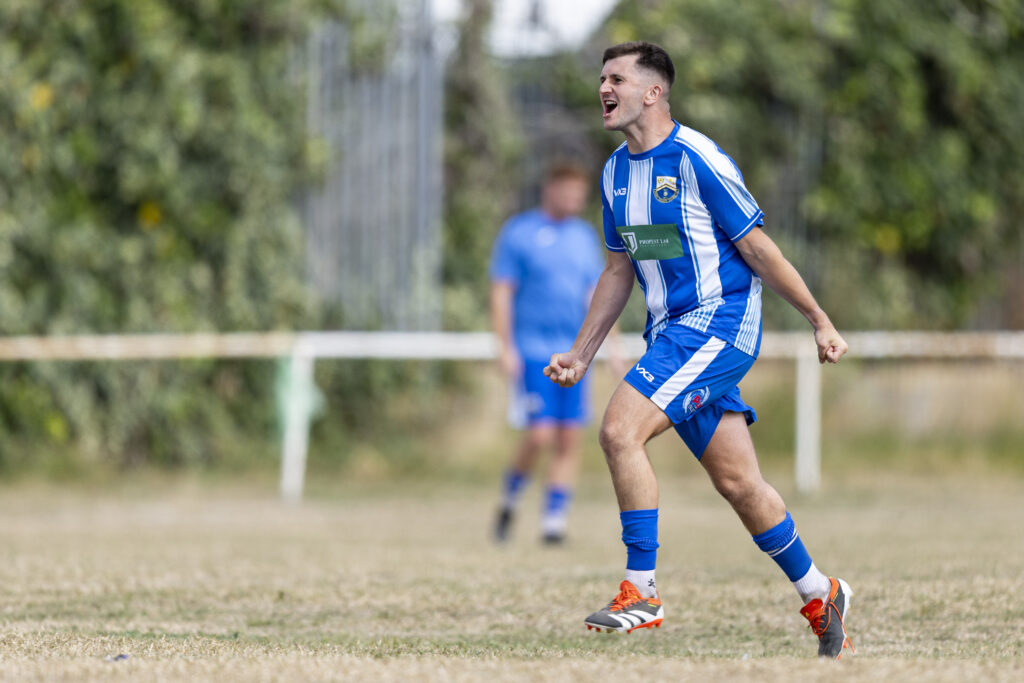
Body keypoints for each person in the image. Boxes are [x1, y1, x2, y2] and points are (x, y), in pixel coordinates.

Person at [544, 41, 854, 659]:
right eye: (601, 79)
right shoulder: (612, 173)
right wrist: (580, 353)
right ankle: (823, 592)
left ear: (654, 92)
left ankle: (642, 591)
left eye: (617, 78)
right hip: (672, 334)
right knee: (740, 484)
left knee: (618, 432)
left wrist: (819, 319)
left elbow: (759, 249)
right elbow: (617, 271)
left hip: (719, 325)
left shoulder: (698, 159)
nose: (603, 89)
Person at [489, 162, 611, 545]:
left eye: (580, 192)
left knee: (569, 437)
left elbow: (598, 295)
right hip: (533, 352)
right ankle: (510, 499)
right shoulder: (519, 232)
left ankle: (553, 522)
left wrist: (613, 346)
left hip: (575, 353)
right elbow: (502, 291)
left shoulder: (584, 236)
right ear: (551, 189)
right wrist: (505, 346)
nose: (575, 199)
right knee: (540, 434)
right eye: (568, 191)